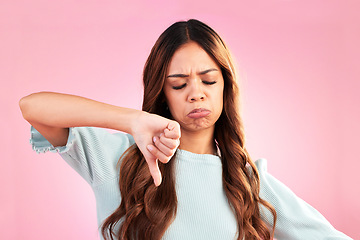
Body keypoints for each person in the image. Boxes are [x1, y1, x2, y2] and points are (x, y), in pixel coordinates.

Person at [19, 19, 352, 240]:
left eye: (208, 80)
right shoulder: (116, 158)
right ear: (161, 93)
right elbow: (33, 108)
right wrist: (132, 120)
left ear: (225, 86)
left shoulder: (248, 180)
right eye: (178, 84)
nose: (196, 92)